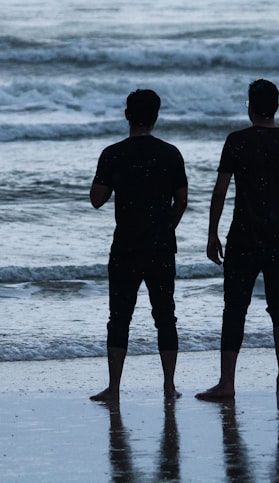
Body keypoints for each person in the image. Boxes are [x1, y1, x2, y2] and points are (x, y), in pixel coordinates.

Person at [196, 79, 279, 401]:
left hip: (244, 237)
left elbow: (220, 191)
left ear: (250, 106)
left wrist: (212, 232)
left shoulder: (237, 141)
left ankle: (227, 383)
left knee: (235, 308)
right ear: (275, 107)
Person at [90, 89, 188, 402]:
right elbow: (182, 200)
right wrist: (165, 226)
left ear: (127, 115)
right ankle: (169, 386)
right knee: (165, 315)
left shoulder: (113, 153)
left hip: (126, 245)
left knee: (119, 317)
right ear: (156, 117)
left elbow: (96, 200)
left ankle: (114, 388)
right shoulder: (171, 153)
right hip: (160, 244)